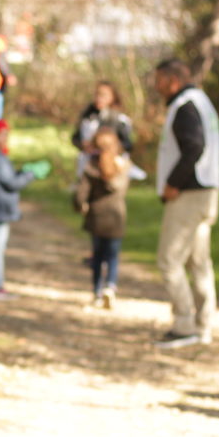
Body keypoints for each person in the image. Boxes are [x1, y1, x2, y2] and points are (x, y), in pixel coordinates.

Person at [152, 58, 219, 349]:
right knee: (198, 262)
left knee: (169, 261)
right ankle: (204, 325)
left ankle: (184, 325)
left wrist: (173, 183)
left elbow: (194, 146)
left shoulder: (185, 107)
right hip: (208, 191)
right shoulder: (201, 101)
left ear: (172, 80)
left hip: (190, 194)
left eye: (159, 80)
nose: (156, 86)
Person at [0, 119, 49, 300]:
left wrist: (23, 170)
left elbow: (6, 178)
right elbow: (12, 183)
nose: (7, 138)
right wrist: (31, 174)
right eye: (4, 134)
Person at [74, 126, 132, 310]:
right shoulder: (122, 165)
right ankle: (111, 286)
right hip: (116, 217)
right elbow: (121, 188)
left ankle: (97, 290)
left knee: (98, 256)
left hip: (96, 217)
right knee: (113, 255)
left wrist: (79, 205)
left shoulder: (91, 166)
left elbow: (81, 192)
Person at [70, 80, 136, 184]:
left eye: (103, 95)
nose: (99, 98)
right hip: (87, 167)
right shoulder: (87, 116)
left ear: (113, 97)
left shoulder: (120, 119)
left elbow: (128, 144)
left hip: (109, 169)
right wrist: (83, 145)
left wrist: (112, 147)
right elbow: (75, 138)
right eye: (97, 94)